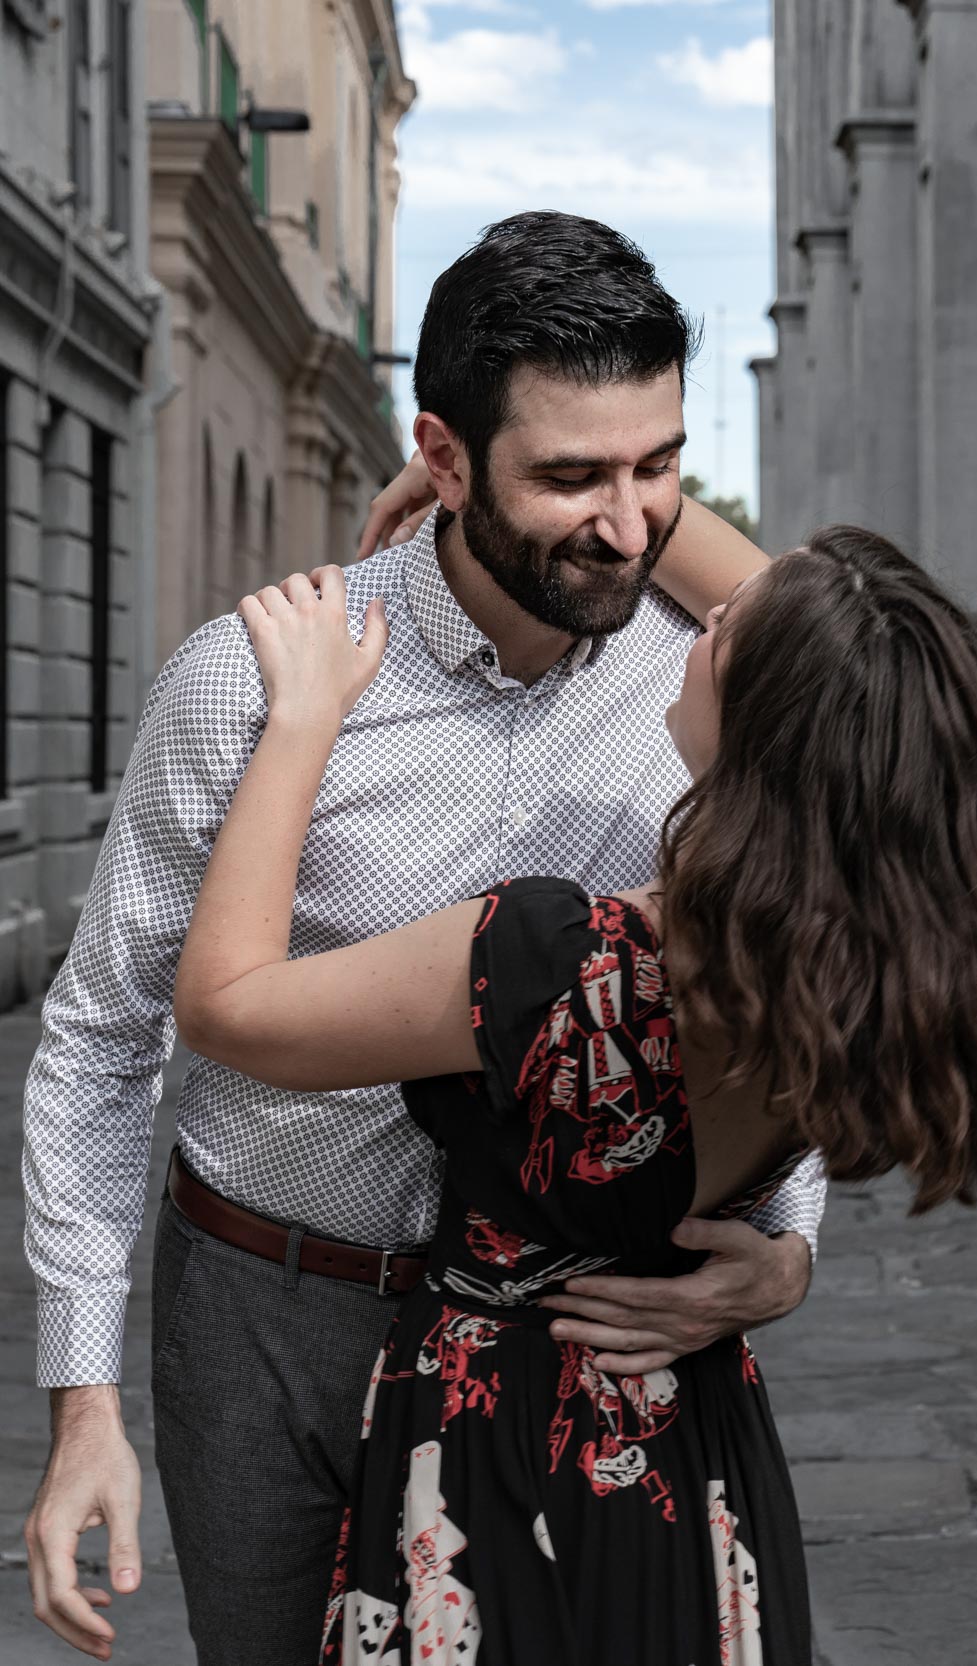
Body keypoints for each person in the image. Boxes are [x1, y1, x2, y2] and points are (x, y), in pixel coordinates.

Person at [21, 212, 826, 1666]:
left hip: (564, 1342)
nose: (629, 526)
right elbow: (102, 1031)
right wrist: (84, 1400)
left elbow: (782, 985)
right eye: (570, 477)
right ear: (443, 460)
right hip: (272, 1321)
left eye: (657, 466)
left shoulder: (709, 685)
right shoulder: (254, 682)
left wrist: (788, 1242)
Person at [171, 524, 977, 1664]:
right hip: (694, 1457)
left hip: (503, 1459)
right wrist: (517, 481)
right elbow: (847, 652)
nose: (698, 621)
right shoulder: (854, 983)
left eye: (721, 632)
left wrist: (304, 719)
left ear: (759, 723)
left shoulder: (559, 961)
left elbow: (226, 1007)